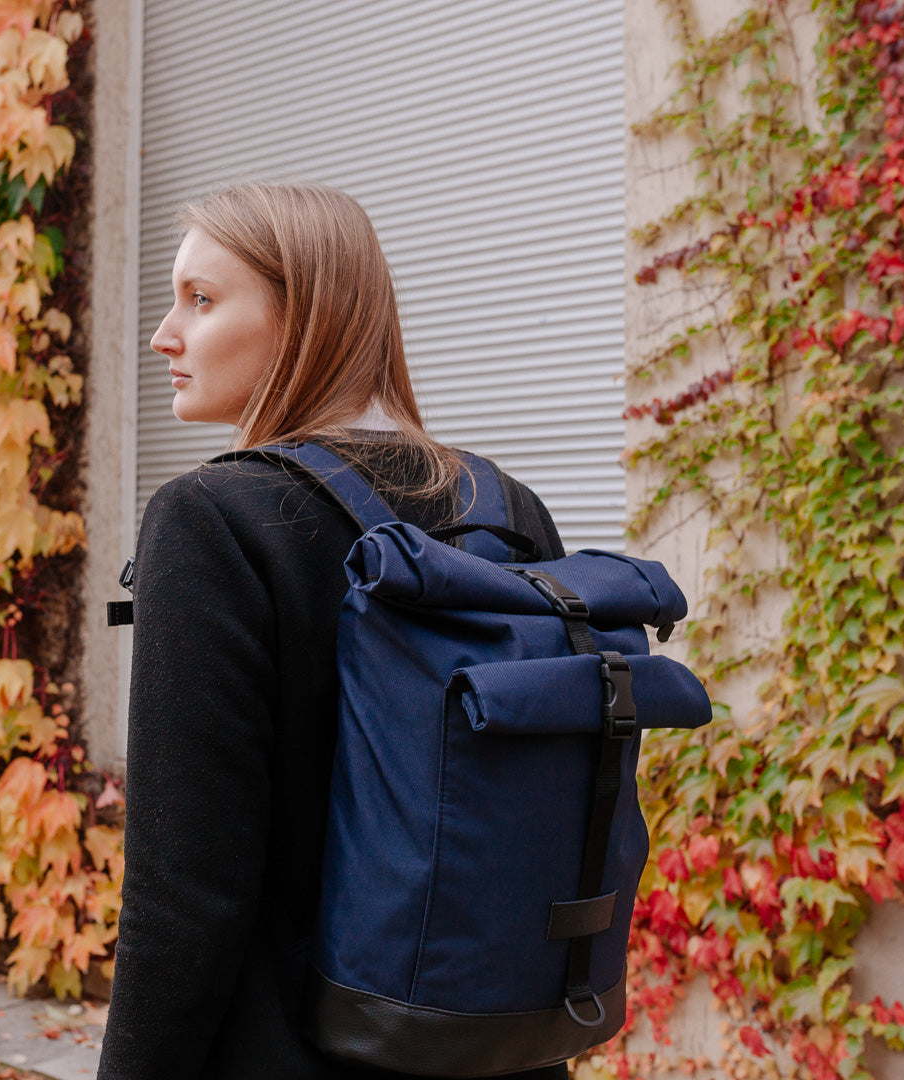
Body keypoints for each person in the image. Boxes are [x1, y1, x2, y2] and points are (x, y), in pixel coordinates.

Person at [97, 182, 570, 1080]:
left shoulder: (213, 519)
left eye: (201, 300)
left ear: (304, 316)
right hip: (498, 1052)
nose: (166, 333)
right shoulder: (507, 508)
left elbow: (184, 899)